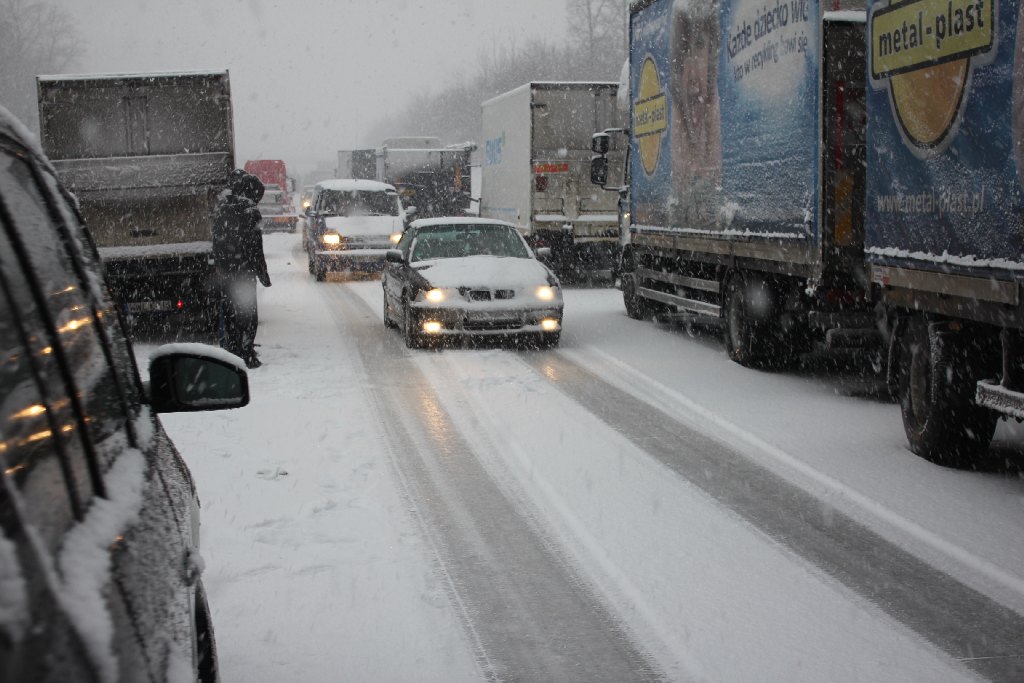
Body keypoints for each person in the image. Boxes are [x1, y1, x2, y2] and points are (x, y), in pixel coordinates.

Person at [212, 170, 271, 368]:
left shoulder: (222, 207)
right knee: (247, 312)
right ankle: (246, 353)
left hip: (227, 271)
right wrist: (262, 273)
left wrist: (220, 265)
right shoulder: (250, 210)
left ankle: (233, 349)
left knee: (229, 311)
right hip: (244, 271)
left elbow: (217, 240)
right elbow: (255, 246)